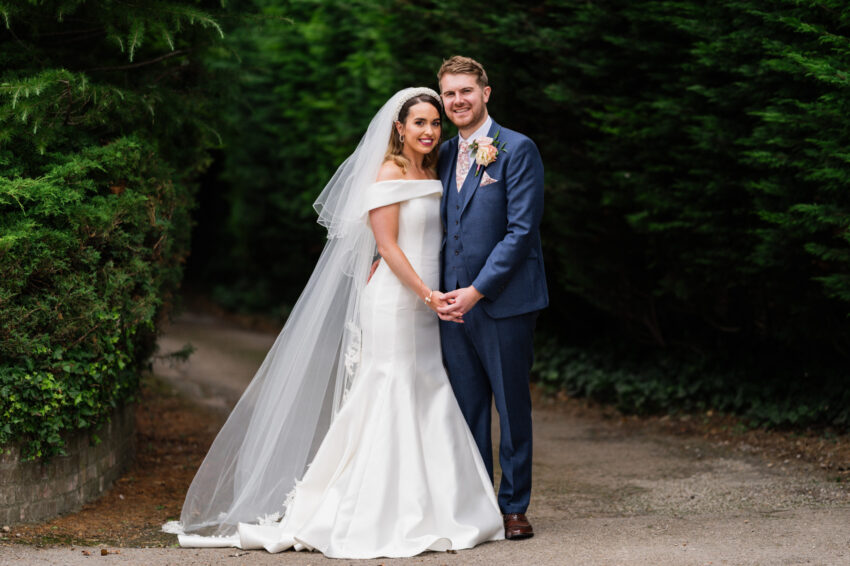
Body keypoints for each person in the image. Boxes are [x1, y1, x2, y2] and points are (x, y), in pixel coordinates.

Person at [162, 87, 504, 558]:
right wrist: (427, 295)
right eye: (419, 123)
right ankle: (374, 508)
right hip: (398, 302)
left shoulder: (434, 168)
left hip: (429, 305)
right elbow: (386, 248)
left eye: (434, 123)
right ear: (398, 129)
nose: (429, 131)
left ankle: (438, 504)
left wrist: (436, 297)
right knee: (391, 387)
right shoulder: (389, 171)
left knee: (426, 386)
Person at [435, 56, 548, 540]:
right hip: (449, 305)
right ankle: (480, 504)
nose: (457, 100)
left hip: (502, 302)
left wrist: (477, 291)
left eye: (466, 90)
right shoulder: (439, 154)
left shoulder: (517, 149)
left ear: (486, 92)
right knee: (467, 408)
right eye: (449, 94)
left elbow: (521, 232)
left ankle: (515, 506)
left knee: (510, 404)